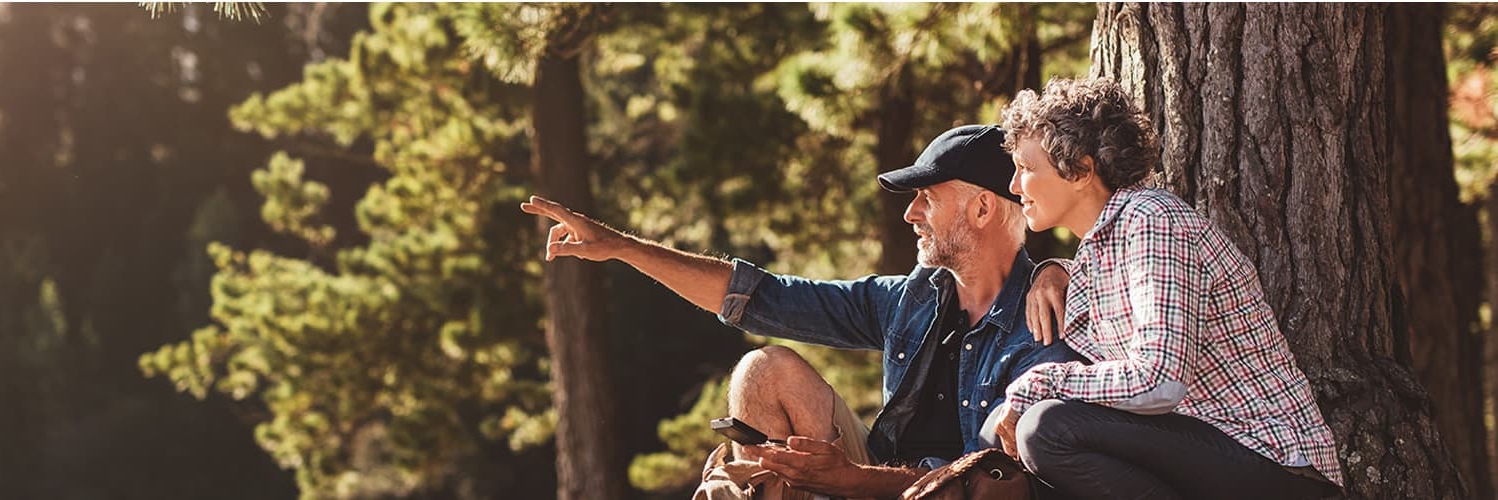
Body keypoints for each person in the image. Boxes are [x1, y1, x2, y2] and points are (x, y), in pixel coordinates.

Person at [521, 124, 1082, 499]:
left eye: (927, 197)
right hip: (869, 477)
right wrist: (622, 247)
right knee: (762, 371)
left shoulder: (1047, 317)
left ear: (984, 208)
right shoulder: (916, 296)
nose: (910, 214)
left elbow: (987, 484)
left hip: (941, 492)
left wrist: (851, 479)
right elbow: (760, 298)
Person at [992, 77, 1343, 499]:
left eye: (1027, 168)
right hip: (1208, 456)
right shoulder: (1100, 250)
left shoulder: (1152, 220)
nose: (1014, 186)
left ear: (1082, 170)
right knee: (1003, 438)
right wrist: (1050, 269)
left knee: (1046, 428)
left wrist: (1040, 382)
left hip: (1275, 463)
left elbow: (1159, 380)